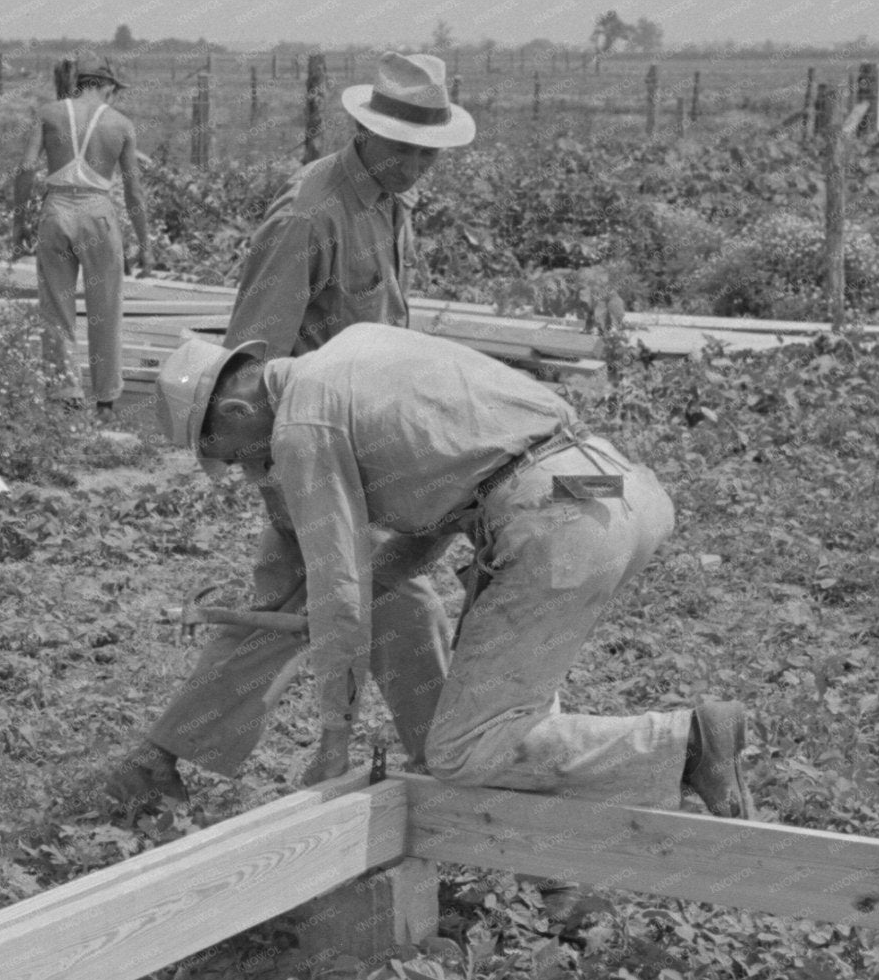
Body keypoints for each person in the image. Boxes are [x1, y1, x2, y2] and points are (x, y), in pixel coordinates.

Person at [141, 324, 753, 816]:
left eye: (230, 454)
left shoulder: (302, 424)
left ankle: (687, 741)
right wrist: (363, 589)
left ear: (237, 408)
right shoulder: (360, 345)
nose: (250, 471)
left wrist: (334, 742)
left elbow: (342, 592)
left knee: (462, 750)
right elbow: (446, 502)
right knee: (518, 718)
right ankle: (557, 875)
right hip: (611, 487)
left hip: (554, 522)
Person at [100, 52, 475, 805]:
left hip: (365, 449)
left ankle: (156, 760)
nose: (414, 164)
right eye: (401, 147)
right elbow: (252, 367)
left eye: (426, 151)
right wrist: (282, 481)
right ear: (362, 131)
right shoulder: (310, 214)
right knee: (402, 601)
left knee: (285, 614)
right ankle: (455, 772)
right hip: (308, 451)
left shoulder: (389, 204)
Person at [12, 49, 152, 417]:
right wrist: (145, 244)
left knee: (56, 309)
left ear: (78, 84)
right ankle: (105, 400)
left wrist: (19, 222)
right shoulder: (121, 124)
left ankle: (64, 394)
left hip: (55, 212)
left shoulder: (48, 114)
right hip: (98, 215)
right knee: (105, 309)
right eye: (113, 92)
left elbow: (26, 168)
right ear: (105, 87)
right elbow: (134, 191)